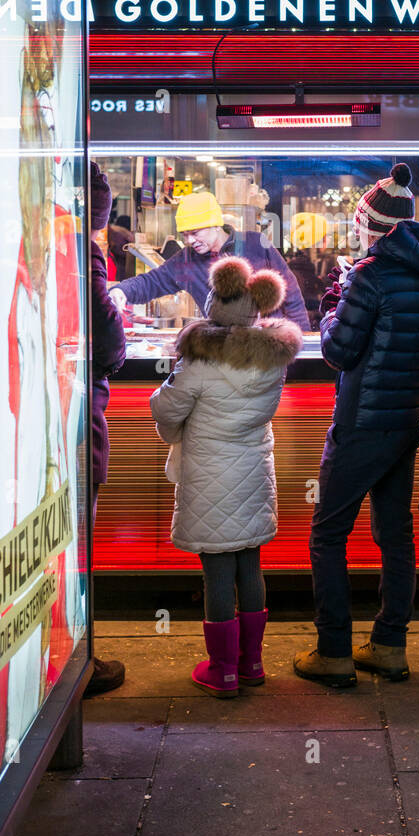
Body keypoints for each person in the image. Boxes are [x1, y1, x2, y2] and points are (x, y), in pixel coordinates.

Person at [294, 164, 419, 688]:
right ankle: (389, 645)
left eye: (360, 223)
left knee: (327, 534)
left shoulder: (368, 276)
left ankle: (335, 651)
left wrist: (335, 297)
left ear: (373, 226)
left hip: (362, 422)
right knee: (395, 534)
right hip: (408, 419)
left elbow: (339, 350)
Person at [150, 257, 303, 697]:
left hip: (210, 473)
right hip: (254, 469)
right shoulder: (273, 360)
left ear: (214, 305)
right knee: (249, 563)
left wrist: (174, 428)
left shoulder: (199, 360)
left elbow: (166, 409)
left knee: (217, 570)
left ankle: (223, 670)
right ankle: (251, 662)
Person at [108, 190, 309, 330]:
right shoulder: (186, 260)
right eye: (184, 234)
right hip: (227, 355)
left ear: (215, 224)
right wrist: (120, 291)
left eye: (195, 232)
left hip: (269, 350)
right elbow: (151, 282)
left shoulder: (256, 244)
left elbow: (291, 295)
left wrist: (303, 338)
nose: (189, 240)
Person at [85, 162, 128, 697]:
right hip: (76, 417)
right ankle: (76, 658)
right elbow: (105, 335)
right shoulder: (85, 247)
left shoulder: (57, 239)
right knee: (76, 541)